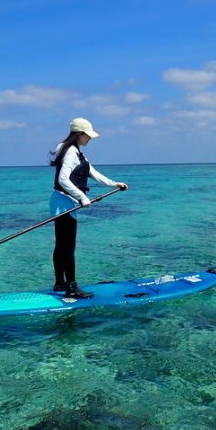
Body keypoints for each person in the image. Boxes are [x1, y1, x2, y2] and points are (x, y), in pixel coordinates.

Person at [49, 118, 128, 298]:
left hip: (60, 201)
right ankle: (71, 288)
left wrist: (114, 184)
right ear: (79, 134)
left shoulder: (73, 151)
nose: (90, 139)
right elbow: (63, 179)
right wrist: (82, 197)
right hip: (64, 202)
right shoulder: (70, 152)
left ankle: (60, 283)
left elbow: (93, 173)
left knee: (61, 245)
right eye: (88, 135)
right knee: (67, 246)